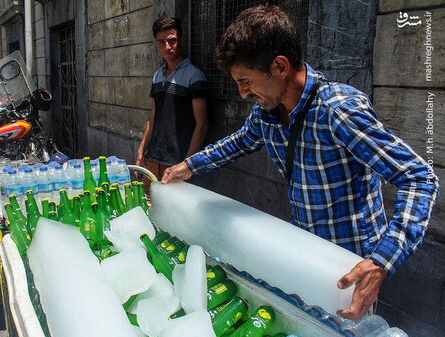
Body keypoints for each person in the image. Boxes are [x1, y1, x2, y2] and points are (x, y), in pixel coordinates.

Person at [161, 5, 439, 320]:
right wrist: (189, 166)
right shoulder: (266, 113)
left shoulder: (339, 111)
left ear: (280, 66)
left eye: (246, 81)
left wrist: (380, 263)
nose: (242, 93)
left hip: (348, 269)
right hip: (304, 253)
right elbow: (238, 142)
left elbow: (418, 178)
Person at [136, 17, 208, 185]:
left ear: (181, 40)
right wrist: (141, 151)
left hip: (176, 162)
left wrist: (187, 164)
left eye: (172, 41)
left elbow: (202, 124)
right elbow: (153, 117)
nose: (167, 47)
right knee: (148, 206)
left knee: (172, 210)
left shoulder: (194, 76)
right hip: (152, 158)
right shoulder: (157, 76)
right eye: (161, 42)